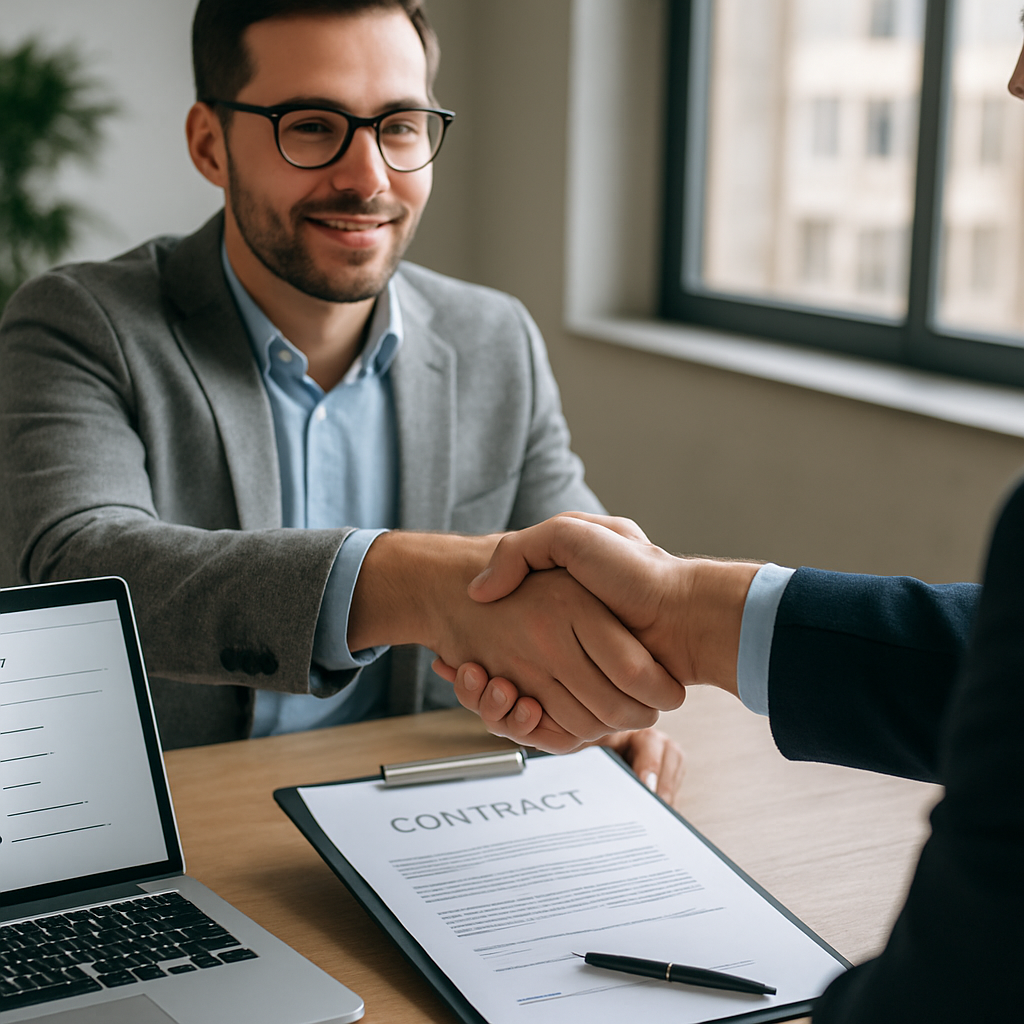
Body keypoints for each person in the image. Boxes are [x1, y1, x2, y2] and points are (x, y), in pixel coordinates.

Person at [0, 0, 682, 792]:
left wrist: (602, 685)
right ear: (209, 144)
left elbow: (577, 570)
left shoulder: (493, 337)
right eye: (313, 125)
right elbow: (82, 575)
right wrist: (420, 584)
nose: (368, 178)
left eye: (399, 126)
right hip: (179, 822)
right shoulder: (79, 323)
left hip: (419, 812)